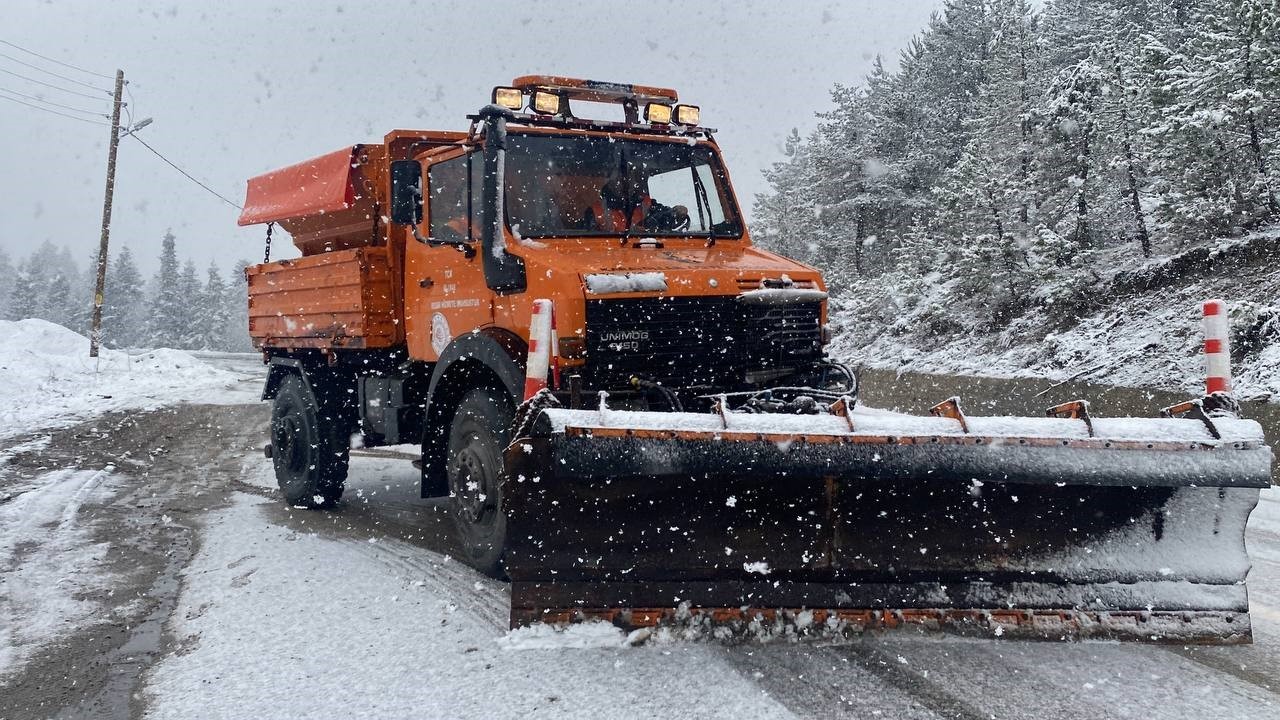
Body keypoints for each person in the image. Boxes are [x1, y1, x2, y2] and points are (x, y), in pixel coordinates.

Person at [580, 164, 689, 233]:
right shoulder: (594, 211)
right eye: (620, 179)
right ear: (611, 183)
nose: (625, 184)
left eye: (629, 179)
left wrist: (675, 213)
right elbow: (588, 244)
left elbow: (664, 215)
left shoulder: (645, 203)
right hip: (609, 259)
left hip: (645, 254)